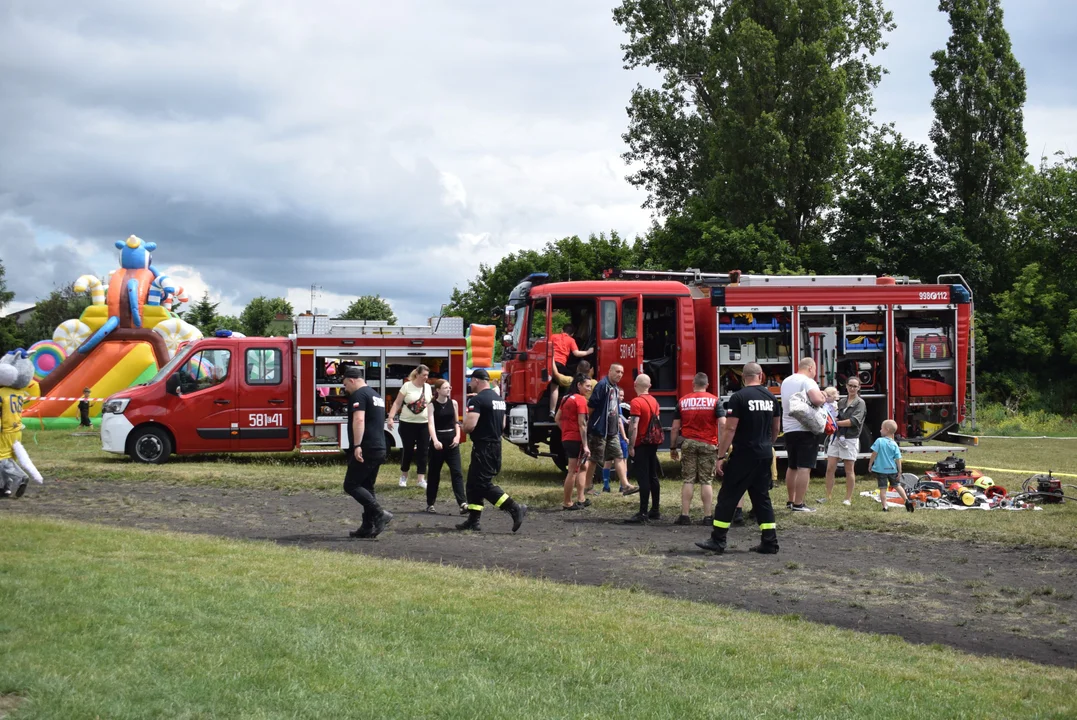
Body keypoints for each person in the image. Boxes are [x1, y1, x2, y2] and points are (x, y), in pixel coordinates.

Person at [696, 363, 782, 555]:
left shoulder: (739, 397)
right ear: (761, 375)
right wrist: (767, 444)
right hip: (764, 453)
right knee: (762, 498)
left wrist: (721, 455)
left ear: (743, 377)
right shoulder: (771, 397)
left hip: (744, 454)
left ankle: (718, 540)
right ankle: (770, 541)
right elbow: (776, 428)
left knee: (728, 496)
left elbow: (730, 428)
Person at [457, 368, 527, 532]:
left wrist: (462, 425)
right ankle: (473, 521)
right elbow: (502, 425)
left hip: (484, 447)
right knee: (473, 484)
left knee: (483, 484)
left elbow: (470, 426)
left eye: (471, 381)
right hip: (495, 445)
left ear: (476, 380)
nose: (470, 384)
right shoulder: (499, 400)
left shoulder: (477, 401)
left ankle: (514, 508)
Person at [341, 365, 393, 539]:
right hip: (379, 446)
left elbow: (359, 419)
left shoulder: (359, 395)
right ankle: (368, 525)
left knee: (351, 484)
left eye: (345, 385)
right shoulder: (375, 395)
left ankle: (380, 514)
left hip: (367, 447)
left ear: (352, 380)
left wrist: (357, 445)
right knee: (367, 487)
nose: (346, 389)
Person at [669, 373, 722, 525]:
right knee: (706, 480)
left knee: (688, 479)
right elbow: (723, 423)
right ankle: (707, 516)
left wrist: (673, 447)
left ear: (693, 384)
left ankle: (685, 515)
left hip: (689, 443)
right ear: (707, 384)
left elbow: (675, 427)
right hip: (708, 443)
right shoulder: (714, 401)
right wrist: (721, 444)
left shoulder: (683, 401)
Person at [584, 363, 637, 497]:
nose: (619, 375)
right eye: (617, 371)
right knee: (594, 459)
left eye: (622, 372)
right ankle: (587, 486)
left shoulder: (615, 388)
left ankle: (625, 486)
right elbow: (591, 406)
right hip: (600, 430)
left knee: (619, 456)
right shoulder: (602, 386)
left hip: (612, 431)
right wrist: (590, 424)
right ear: (610, 371)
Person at [781, 357, 826, 512]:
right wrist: (823, 396)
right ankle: (799, 504)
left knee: (792, 466)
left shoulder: (786, 381)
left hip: (788, 428)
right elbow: (816, 399)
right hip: (805, 428)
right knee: (804, 467)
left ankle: (790, 500)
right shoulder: (807, 381)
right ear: (811, 368)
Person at [387, 364, 432, 489]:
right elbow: (397, 402)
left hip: (424, 424)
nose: (426, 377)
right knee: (408, 450)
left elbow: (430, 404)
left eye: (427, 375)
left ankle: (421, 479)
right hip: (407, 423)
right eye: (424, 375)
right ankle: (404, 476)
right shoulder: (407, 386)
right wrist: (390, 418)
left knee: (423, 451)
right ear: (417, 374)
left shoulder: (428, 387)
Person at [625, 373, 662, 523]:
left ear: (635, 385)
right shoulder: (654, 401)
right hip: (653, 442)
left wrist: (631, 445)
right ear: (649, 386)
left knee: (643, 478)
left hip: (641, 443)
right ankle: (655, 510)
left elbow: (634, 425)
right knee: (653, 475)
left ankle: (643, 513)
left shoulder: (636, 402)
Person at [823, 378, 866, 505]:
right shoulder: (841, 401)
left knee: (849, 469)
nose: (852, 388)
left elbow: (854, 421)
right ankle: (828, 496)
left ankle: (848, 498)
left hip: (850, 438)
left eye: (855, 386)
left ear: (859, 388)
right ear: (846, 386)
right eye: (850, 385)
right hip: (836, 437)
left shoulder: (860, 403)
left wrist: (835, 423)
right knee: (830, 468)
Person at [426, 379, 466, 514]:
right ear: (438, 390)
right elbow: (431, 424)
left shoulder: (453, 403)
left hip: (452, 440)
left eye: (449, 387)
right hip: (438, 440)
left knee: (457, 472)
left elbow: (456, 421)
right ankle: (430, 503)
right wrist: (435, 440)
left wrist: (457, 436)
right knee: (434, 473)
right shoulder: (432, 405)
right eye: (445, 388)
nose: (448, 390)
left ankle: (462, 503)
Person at [556, 374, 592, 510]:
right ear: (579, 385)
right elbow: (582, 424)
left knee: (584, 467)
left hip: (568, 438)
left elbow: (557, 418)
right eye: (587, 386)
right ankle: (567, 502)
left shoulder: (565, 398)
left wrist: (565, 430)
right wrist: (586, 445)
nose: (589, 389)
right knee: (573, 471)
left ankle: (581, 498)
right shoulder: (580, 400)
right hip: (576, 440)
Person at [549, 323, 594, 418]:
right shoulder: (571, 340)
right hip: (561, 364)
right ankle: (556, 410)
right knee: (556, 387)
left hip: (550, 362)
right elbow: (576, 353)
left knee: (552, 386)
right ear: (572, 334)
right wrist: (589, 351)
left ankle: (552, 411)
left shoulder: (553, 336)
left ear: (562, 330)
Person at [869, 419, 914, 513]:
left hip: (881, 470)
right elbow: (898, 459)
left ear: (887, 429)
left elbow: (874, 454)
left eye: (881, 429)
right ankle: (906, 500)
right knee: (897, 486)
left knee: (883, 488)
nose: (880, 430)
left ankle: (885, 507)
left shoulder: (879, 441)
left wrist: (870, 464)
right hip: (892, 470)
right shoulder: (894, 444)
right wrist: (899, 471)